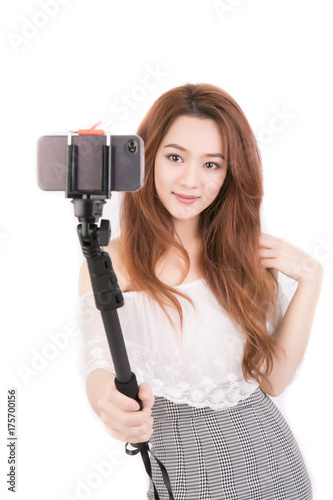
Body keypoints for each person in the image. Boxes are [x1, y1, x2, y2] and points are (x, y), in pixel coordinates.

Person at [78, 83, 323, 499]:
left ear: (231, 173)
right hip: (191, 482)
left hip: (280, 472)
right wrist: (110, 406)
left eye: (212, 165)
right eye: (175, 157)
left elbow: (274, 380)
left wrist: (312, 278)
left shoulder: (245, 254)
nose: (192, 180)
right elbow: (100, 359)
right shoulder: (113, 263)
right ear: (149, 159)